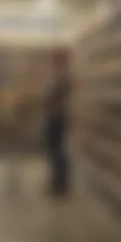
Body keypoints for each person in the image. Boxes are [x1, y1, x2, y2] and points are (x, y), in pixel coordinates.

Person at [44, 49, 71, 196]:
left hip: (58, 117)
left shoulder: (62, 76)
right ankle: (57, 181)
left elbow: (54, 96)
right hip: (55, 116)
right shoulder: (58, 75)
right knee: (55, 150)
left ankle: (60, 184)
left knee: (57, 151)